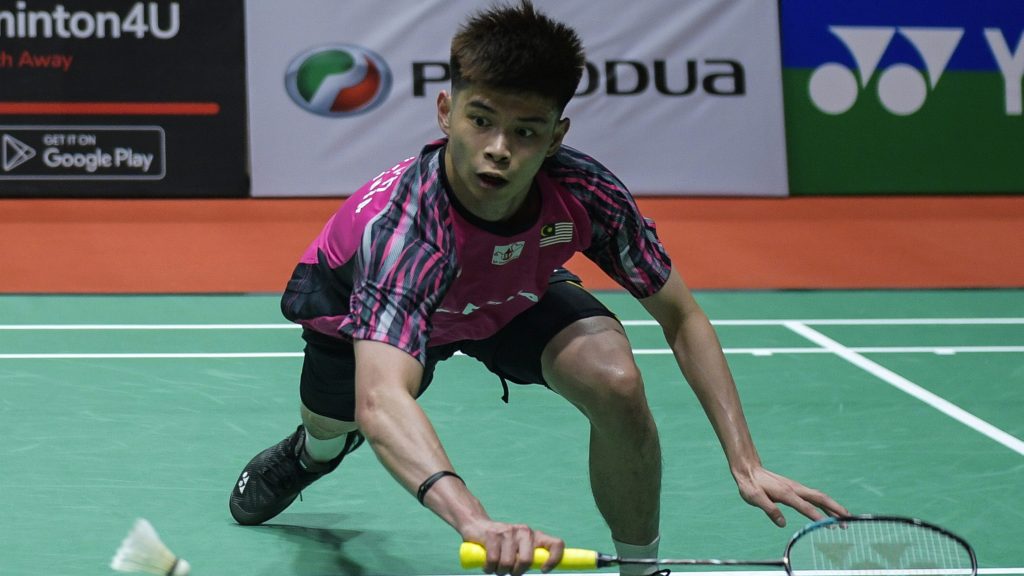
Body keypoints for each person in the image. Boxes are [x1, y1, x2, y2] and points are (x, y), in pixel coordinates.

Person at [229, 2, 849, 575]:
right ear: (446, 112)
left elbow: (681, 316)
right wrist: (475, 521)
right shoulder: (405, 233)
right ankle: (312, 454)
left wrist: (746, 461)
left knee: (616, 381)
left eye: (526, 132)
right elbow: (382, 398)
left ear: (556, 135)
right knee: (336, 426)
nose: (498, 150)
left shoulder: (585, 192)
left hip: (506, 290)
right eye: (480, 121)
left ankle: (640, 568)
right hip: (360, 305)